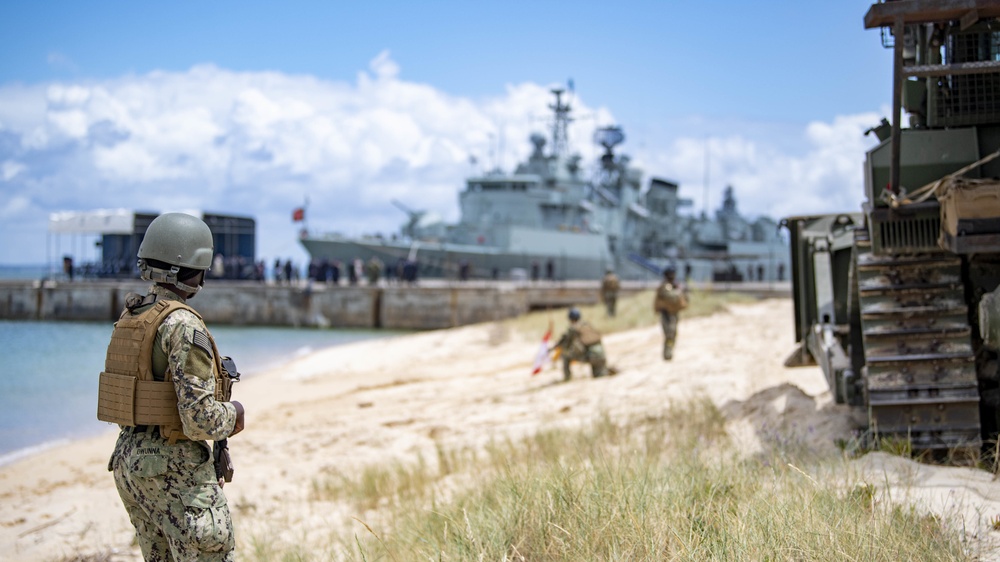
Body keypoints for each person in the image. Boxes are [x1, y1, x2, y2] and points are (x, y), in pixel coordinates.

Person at [97, 212, 245, 561]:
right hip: (173, 468)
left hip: (130, 462)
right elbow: (198, 419)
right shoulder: (181, 325)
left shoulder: (133, 317)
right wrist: (235, 414)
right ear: (192, 270)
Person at [552, 307, 609, 380]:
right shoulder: (587, 325)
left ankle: (567, 378)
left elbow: (565, 341)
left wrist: (555, 347)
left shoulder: (573, 328)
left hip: (590, 356)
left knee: (564, 356)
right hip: (601, 356)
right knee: (599, 376)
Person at [653, 265, 688, 361]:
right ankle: (667, 353)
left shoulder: (673, 285)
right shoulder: (666, 286)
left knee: (673, 334)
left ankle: (669, 352)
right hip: (666, 314)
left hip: (673, 313)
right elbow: (671, 297)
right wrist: (679, 290)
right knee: (669, 334)